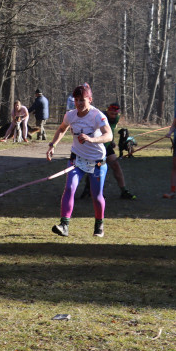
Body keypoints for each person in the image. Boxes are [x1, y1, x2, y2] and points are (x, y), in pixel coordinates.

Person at [45, 84, 112, 238]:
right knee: (69, 188)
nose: (79, 103)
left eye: (82, 100)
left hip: (97, 161)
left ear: (90, 100)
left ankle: (99, 225)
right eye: (76, 100)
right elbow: (62, 129)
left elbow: (109, 136)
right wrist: (52, 145)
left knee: (96, 195)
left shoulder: (97, 116)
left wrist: (91, 139)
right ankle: (64, 225)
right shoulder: (70, 115)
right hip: (77, 159)